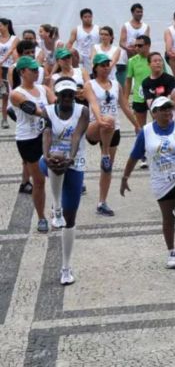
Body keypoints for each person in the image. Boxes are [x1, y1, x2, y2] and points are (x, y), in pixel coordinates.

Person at [120, 96, 175, 269]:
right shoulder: (145, 132)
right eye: (163, 109)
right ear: (154, 113)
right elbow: (134, 156)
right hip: (161, 178)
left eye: (169, 108)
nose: (167, 112)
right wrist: (125, 177)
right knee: (168, 219)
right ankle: (171, 251)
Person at [41, 78, 89, 284]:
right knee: (56, 157)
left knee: (70, 220)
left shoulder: (83, 111)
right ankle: (56, 205)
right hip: (51, 159)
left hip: (75, 161)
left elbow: (77, 136)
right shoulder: (48, 111)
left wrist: (71, 156)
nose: (67, 98)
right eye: (63, 95)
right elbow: (47, 135)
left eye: (70, 94)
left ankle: (66, 267)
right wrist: (47, 155)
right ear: (57, 96)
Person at [84, 53, 139, 217]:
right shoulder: (90, 84)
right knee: (108, 119)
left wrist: (137, 125)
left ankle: (102, 202)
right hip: (95, 126)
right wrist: (100, 119)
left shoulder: (116, 85)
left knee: (107, 170)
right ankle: (105, 153)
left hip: (112, 129)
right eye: (102, 65)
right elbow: (93, 103)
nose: (106, 67)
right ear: (95, 68)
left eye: (108, 64)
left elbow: (124, 106)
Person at [11, 56, 54, 232]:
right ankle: (41, 217)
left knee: (58, 176)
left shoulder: (43, 88)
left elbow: (56, 103)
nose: (37, 72)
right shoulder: (16, 94)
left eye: (37, 69)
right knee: (39, 181)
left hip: (46, 135)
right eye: (33, 70)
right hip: (28, 139)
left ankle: (57, 210)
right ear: (22, 72)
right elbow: (37, 111)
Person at [124, 35, 153, 138]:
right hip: (138, 97)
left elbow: (164, 77)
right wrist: (126, 99)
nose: (136, 48)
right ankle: (140, 146)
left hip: (154, 96)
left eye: (140, 45)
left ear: (148, 46)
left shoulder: (155, 59)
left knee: (159, 123)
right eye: (135, 45)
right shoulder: (132, 61)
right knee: (140, 126)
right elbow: (128, 81)